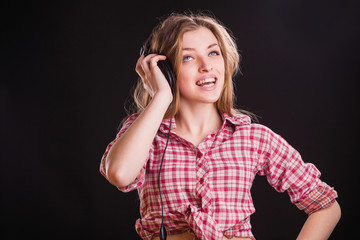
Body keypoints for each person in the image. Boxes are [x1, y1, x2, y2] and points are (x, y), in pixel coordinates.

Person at [100, 12, 341, 240]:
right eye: (188, 57)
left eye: (213, 53)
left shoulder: (253, 137)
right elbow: (119, 174)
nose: (207, 66)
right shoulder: (145, 131)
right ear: (165, 71)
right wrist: (161, 96)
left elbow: (326, 207)